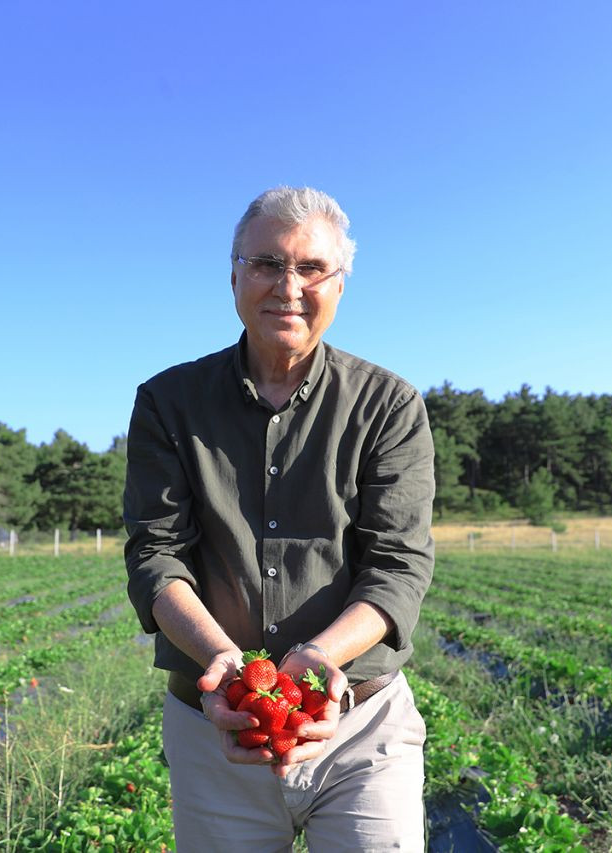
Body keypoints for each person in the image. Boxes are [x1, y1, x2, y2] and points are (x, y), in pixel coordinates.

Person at [123, 186, 435, 851]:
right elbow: (157, 556)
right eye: (266, 263)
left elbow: (398, 566)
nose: (287, 285)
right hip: (213, 724)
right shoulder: (168, 403)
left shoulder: (388, 405)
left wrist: (321, 656)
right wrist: (222, 662)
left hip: (360, 725)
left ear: (340, 284)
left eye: (311, 267)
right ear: (234, 274)